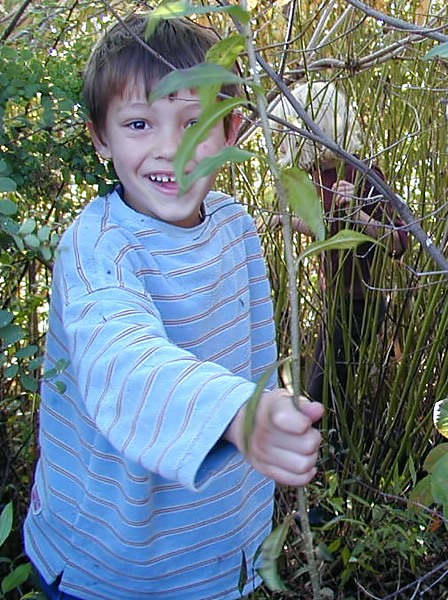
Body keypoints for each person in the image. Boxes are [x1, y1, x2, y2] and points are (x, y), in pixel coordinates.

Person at [23, 13, 323, 600]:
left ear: (231, 131)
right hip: (112, 565)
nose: (171, 149)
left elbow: (252, 355)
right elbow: (122, 359)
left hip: (218, 550)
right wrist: (239, 414)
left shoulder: (235, 228)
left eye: (196, 122)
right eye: (139, 123)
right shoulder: (98, 250)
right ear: (101, 137)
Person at [267, 82, 409, 408]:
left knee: (323, 396)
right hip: (333, 301)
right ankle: (329, 449)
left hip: (360, 303)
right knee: (327, 393)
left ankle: (327, 453)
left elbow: (398, 240)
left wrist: (358, 213)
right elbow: (327, 231)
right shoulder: (312, 176)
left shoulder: (362, 173)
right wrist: (284, 222)